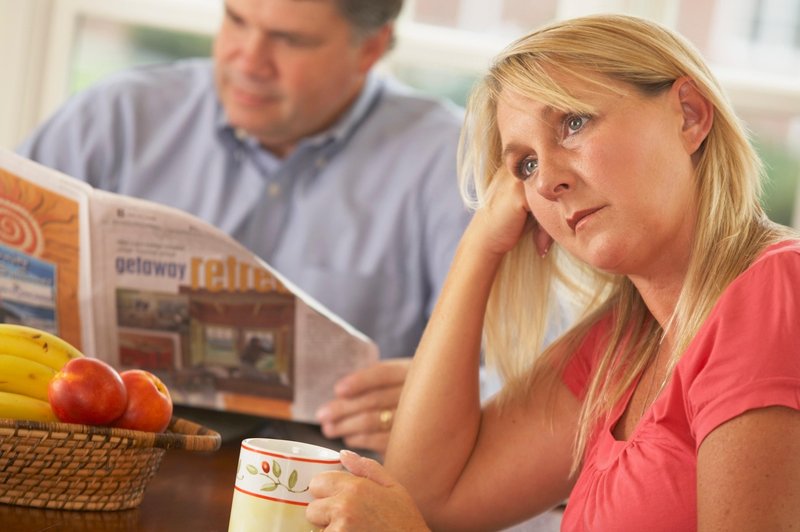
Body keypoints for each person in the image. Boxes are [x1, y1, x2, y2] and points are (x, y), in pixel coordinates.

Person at [304, 14, 800, 531]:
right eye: (525, 166)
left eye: (574, 124)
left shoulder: (772, 289)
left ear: (690, 115)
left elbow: (410, 517)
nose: (547, 183)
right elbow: (429, 494)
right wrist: (481, 242)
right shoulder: (625, 344)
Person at [17, 0, 470, 454]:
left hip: (327, 490)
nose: (248, 60)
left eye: (289, 39)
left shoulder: (451, 163)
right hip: (93, 463)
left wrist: (443, 399)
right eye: (236, 20)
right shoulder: (116, 116)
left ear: (370, 48)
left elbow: (515, 372)